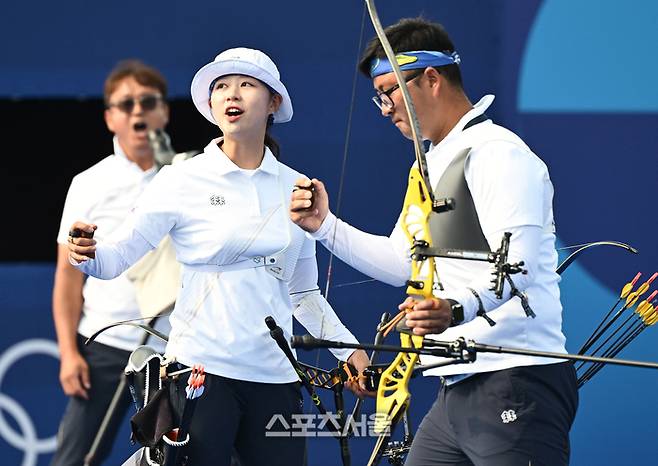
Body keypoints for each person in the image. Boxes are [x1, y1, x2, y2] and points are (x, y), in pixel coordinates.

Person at [290, 17, 578, 466]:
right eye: (378, 96)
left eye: (389, 91)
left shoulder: (496, 153)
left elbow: (521, 268)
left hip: (517, 377)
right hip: (456, 386)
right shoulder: (430, 163)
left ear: (431, 78)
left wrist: (454, 309)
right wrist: (325, 225)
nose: (384, 107)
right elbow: (404, 262)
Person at [66, 47, 370, 466]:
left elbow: (303, 292)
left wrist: (348, 351)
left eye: (247, 85)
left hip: (276, 379)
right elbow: (115, 258)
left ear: (273, 103)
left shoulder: (296, 186)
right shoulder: (181, 179)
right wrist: (86, 253)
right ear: (211, 105)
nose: (233, 95)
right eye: (222, 87)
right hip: (201, 376)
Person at [52, 59, 174, 466]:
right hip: (104, 345)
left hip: (174, 348)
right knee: (76, 458)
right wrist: (70, 353)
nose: (138, 110)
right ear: (110, 118)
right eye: (126, 104)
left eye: (148, 101)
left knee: (184, 456)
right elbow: (67, 279)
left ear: (164, 111)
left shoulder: (188, 177)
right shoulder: (89, 184)